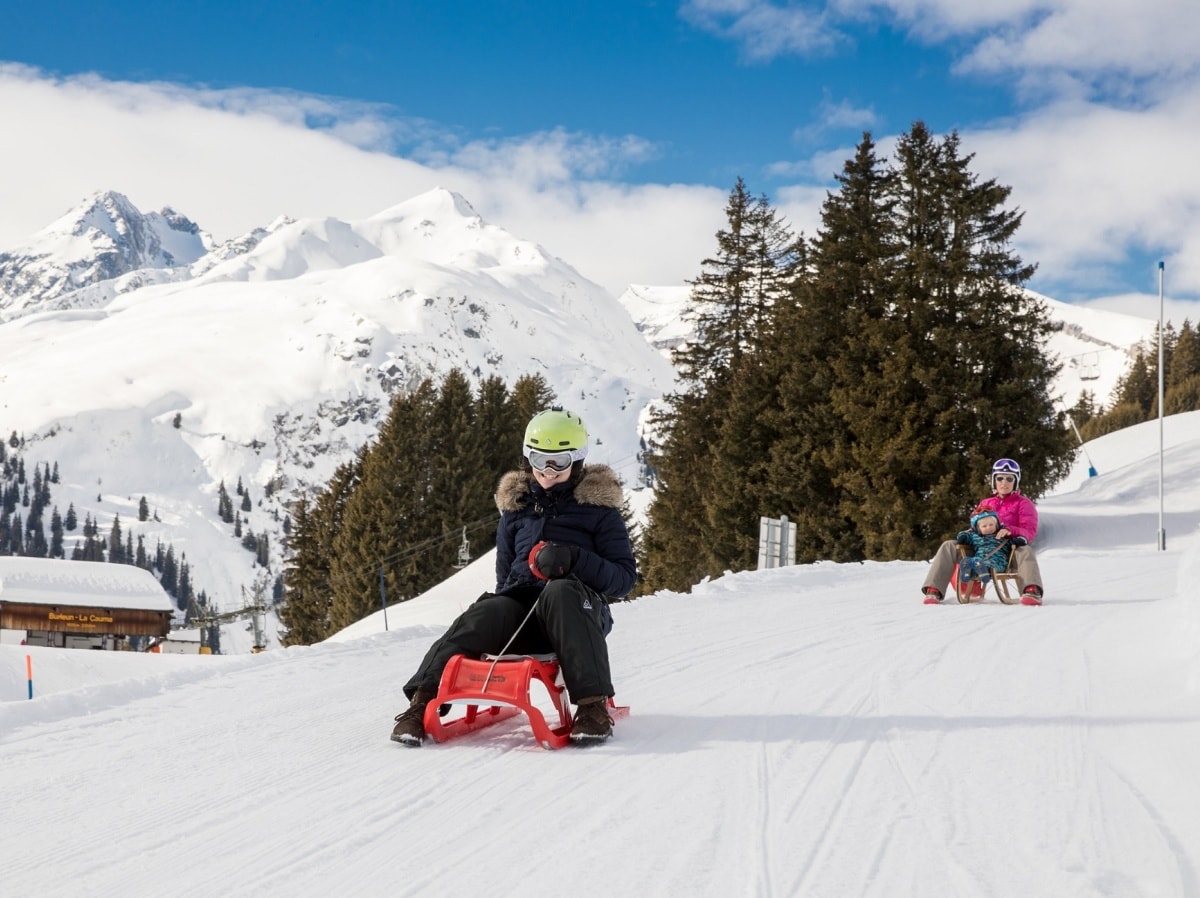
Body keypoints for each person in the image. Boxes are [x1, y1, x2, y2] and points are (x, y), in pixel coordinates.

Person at [390, 406, 637, 746]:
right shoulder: (516, 511)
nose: (547, 471)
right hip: (524, 613)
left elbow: (623, 580)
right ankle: (421, 703)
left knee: (561, 592)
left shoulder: (600, 513)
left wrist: (574, 559)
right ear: (526, 459)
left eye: (559, 462)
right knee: (488, 609)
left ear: (577, 462)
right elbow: (505, 577)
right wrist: (508, 600)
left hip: (578, 614)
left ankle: (592, 708)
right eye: (538, 460)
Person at [921, 458, 1045, 606]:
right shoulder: (986, 503)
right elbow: (975, 524)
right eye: (999, 478)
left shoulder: (1023, 504)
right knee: (949, 545)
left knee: (1025, 550)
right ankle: (934, 590)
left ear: (1015, 481)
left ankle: (1032, 590)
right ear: (994, 481)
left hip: (1007, 550)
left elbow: (1029, 531)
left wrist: (1009, 530)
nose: (1004, 482)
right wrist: (969, 533)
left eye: (1009, 478)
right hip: (980, 550)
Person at [955, 509, 1013, 581]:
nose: (988, 527)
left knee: (986, 564)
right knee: (974, 561)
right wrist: (963, 536)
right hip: (980, 559)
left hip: (998, 560)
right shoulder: (975, 536)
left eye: (991, 525)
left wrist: (1018, 540)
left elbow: (1012, 541)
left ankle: (984, 571)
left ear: (997, 525)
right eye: (984, 526)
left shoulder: (1001, 536)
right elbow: (967, 533)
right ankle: (969, 572)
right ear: (978, 529)